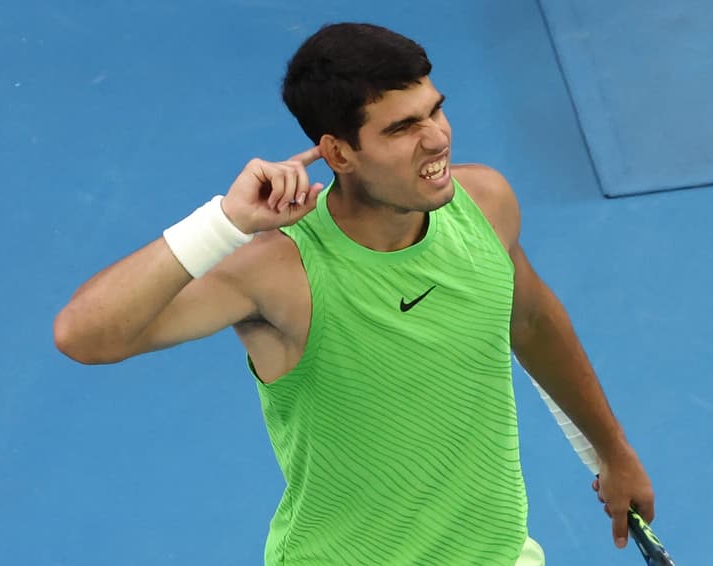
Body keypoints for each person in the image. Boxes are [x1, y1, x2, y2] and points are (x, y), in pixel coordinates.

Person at [54, 22, 655, 566]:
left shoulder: (484, 203)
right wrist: (224, 223)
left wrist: (611, 449)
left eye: (434, 111)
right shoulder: (278, 271)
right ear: (339, 152)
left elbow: (530, 322)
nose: (436, 139)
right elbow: (84, 336)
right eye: (401, 128)